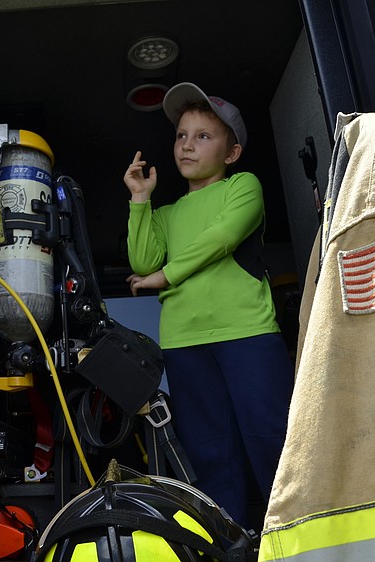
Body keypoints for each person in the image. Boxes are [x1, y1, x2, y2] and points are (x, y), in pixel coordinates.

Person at [123, 82, 294, 528]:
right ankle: (229, 546)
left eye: (203, 136)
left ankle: (293, 543)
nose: (187, 145)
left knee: (272, 443)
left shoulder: (244, 186)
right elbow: (141, 259)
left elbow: (219, 240)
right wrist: (141, 200)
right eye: (181, 135)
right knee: (210, 453)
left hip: (249, 335)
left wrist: (166, 276)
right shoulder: (167, 213)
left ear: (231, 153)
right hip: (184, 343)